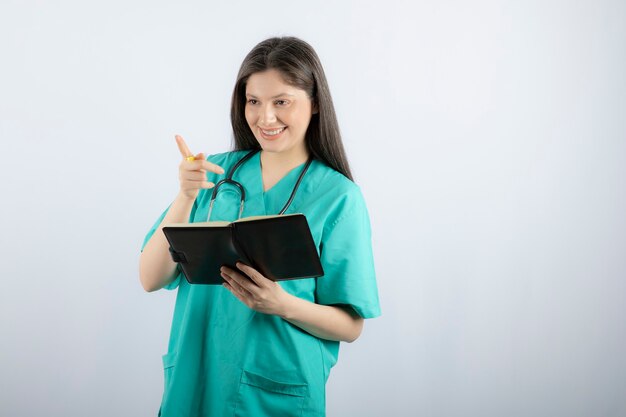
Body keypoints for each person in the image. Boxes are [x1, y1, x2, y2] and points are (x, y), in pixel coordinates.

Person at [139, 36, 381, 417]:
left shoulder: (338, 197)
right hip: (198, 377)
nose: (265, 118)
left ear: (315, 103)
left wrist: (282, 305)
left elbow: (350, 325)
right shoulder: (213, 175)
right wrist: (185, 195)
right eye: (253, 101)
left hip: (277, 390)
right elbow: (150, 278)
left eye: (281, 101)